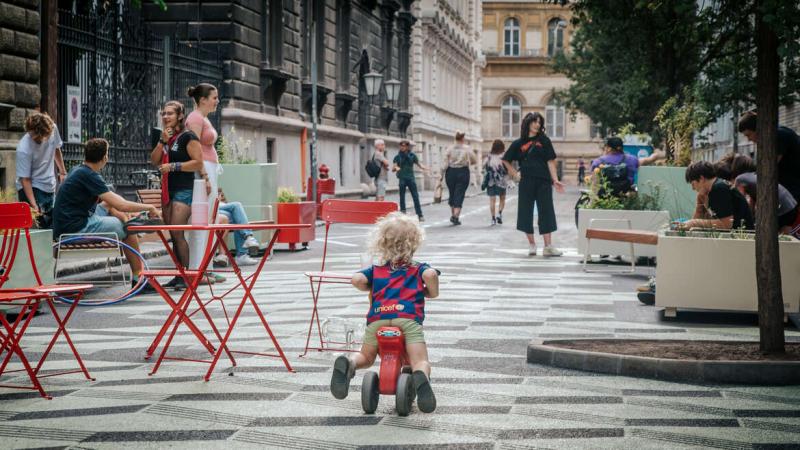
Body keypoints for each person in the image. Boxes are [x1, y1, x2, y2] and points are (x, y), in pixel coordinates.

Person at [330, 212, 440, 413]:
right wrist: (429, 291)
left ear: (382, 243)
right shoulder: (418, 268)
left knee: (367, 356)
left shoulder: (377, 269)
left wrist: (370, 286)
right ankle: (420, 375)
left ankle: (350, 364)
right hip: (407, 319)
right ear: (414, 243)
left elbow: (356, 280)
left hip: (378, 319)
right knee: (420, 360)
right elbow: (431, 275)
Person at [53, 138, 160, 294]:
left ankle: (127, 223)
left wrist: (124, 214)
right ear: (105, 158)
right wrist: (149, 207)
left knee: (110, 207)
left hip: (73, 220)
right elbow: (121, 204)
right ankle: (139, 278)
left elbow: (111, 201)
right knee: (128, 229)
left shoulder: (79, 169)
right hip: (76, 227)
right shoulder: (89, 175)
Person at [150, 100, 208, 290]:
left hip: (184, 189)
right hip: (168, 189)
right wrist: (161, 141)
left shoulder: (187, 137)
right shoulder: (164, 136)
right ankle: (179, 274)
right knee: (173, 235)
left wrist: (174, 166)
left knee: (177, 232)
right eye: (164, 114)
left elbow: (198, 163)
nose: (166, 117)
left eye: (170, 114)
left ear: (180, 116)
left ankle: (187, 276)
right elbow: (154, 161)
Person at [502, 112, 566, 256]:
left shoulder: (544, 141)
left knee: (546, 211)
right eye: (535, 122)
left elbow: (550, 161)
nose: (538, 124)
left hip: (543, 181)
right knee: (525, 211)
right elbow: (506, 159)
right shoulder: (519, 143)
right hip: (526, 181)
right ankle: (532, 244)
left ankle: (548, 246)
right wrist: (514, 173)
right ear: (528, 123)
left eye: (539, 122)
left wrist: (555, 179)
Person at [185, 83, 224, 282]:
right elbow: (194, 148)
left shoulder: (203, 118)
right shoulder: (195, 118)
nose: (217, 101)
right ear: (203, 100)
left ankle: (205, 268)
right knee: (200, 221)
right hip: (203, 171)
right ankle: (197, 269)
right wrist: (205, 177)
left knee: (209, 219)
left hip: (209, 169)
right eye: (214, 97)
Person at [15, 113, 67, 229]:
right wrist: (33, 205)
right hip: (31, 188)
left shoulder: (53, 129)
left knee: (52, 226)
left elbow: (56, 149)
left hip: (49, 185)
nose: (33, 138)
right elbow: (25, 179)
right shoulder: (23, 148)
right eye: (31, 134)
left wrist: (62, 171)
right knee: (39, 228)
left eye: (37, 136)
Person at [737, 111, 800, 202]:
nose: (749, 139)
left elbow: (768, 167)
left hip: (794, 189)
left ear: (758, 129)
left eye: (749, 135)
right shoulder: (772, 137)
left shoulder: (779, 135)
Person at [681, 160, 754, 230]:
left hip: (743, 235)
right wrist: (700, 207)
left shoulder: (718, 188)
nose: (693, 188)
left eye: (693, 184)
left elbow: (726, 224)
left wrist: (694, 223)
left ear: (701, 179)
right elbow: (697, 218)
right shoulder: (711, 190)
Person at [213, 188, 261, 267]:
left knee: (235, 216)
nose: (220, 194)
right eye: (219, 193)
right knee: (237, 206)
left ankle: (241, 253)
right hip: (213, 208)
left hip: (221, 212)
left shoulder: (226, 206)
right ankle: (245, 245)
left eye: (221, 193)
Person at [443, 131, 477, 225]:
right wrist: (468, 162)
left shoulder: (449, 148)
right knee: (460, 193)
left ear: (455, 138)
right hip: (463, 171)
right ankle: (455, 216)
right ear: (463, 139)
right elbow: (474, 160)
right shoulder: (467, 148)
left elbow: (445, 163)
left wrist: (441, 174)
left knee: (452, 193)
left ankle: (454, 216)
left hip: (450, 172)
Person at [393, 140, 429, 222]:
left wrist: (425, 168)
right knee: (402, 197)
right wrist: (396, 168)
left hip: (411, 178)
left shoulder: (412, 156)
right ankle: (403, 214)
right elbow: (394, 167)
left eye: (404, 146)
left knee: (415, 196)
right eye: (401, 146)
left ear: (407, 147)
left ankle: (419, 215)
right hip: (402, 178)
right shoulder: (397, 157)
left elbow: (419, 164)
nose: (402, 147)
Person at [484, 139, 508, 225]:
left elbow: (485, 166)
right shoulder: (504, 155)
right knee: (502, 198)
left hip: (491, 181)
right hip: (502, 181)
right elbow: (508, 167)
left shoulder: (489, 156)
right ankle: (499, 213)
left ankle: (493, 218)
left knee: (492, 200)